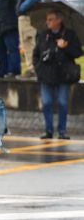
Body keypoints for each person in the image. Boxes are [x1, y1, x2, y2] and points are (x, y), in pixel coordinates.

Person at [32, 7, 83, 140]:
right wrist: (39, 69)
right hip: (46, 75)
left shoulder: (69, 34)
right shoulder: (43, 34)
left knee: (62, 102)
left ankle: (62, 131)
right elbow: (36, 54)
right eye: (47, 19)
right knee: (47, 102)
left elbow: (78, 52)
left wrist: (66, 47)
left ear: (59, 20)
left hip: (63, 75)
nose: (47, 22)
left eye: (51, 19)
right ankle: (48, 130)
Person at [17, 0, 44, 80]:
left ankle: (34, 68)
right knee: (26, 43)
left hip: (28, 16)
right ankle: (30, 68)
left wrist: (22, 7)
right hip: (23, 17)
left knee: (30, 41)